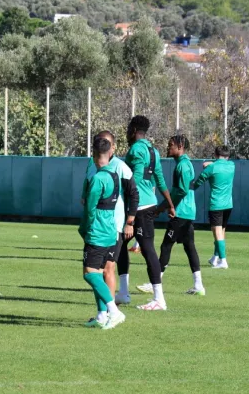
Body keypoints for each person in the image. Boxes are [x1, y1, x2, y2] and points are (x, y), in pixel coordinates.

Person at [125, 115, 175, 312]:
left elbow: (136, 177)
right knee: (119, 244)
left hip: (139, 207)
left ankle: (159, 299)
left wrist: (123, 197)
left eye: (129, 128)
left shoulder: (136, 149)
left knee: (148, 250)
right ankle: (122, 292)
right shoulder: (153, 151)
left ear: (134, 129)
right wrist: (170, 204)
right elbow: (160, 180)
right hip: (149, 204)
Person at [82, 131, 139, 305]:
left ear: (113, 147)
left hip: (114, 226)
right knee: (97, 271)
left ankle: (111, 309)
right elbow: (86, 192)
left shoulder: (120, 167)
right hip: (96, 227)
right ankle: (103, 313)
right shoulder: (92, 164)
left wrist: (130, 222)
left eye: (107, 143)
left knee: (108, 268)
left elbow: (134, 194)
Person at [79, 135, 126, 329]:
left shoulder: (98, 179)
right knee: (98, 273)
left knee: (89, 274)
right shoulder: (114, 176)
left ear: (94, 154)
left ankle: (114, 311)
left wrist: (85, 228)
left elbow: (90, 209)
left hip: (97, 231)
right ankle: (101, 315)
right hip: (110, 231)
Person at [156, 135, 204, 295]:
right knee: (189, 247)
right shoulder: (184, 164)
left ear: (180, 146)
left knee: (166, 246)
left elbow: (182, 190)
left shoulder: (183, 165)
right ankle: (198, 285)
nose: (168, 147)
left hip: (181, 212)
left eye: (171, 144)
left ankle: (155, 282)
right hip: (187, 212)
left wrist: (168, 205)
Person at [192, 145, 235, 269]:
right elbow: (222, 162)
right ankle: (215, 257)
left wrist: (190, 189)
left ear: (215, 155)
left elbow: (199, 181)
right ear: (228, 156)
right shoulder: (231, 165)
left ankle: (223, 261)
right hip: (228, 204)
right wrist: (212, 163)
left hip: (216, 204)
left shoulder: (212, 168)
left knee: (216, 231)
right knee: (221, 230)